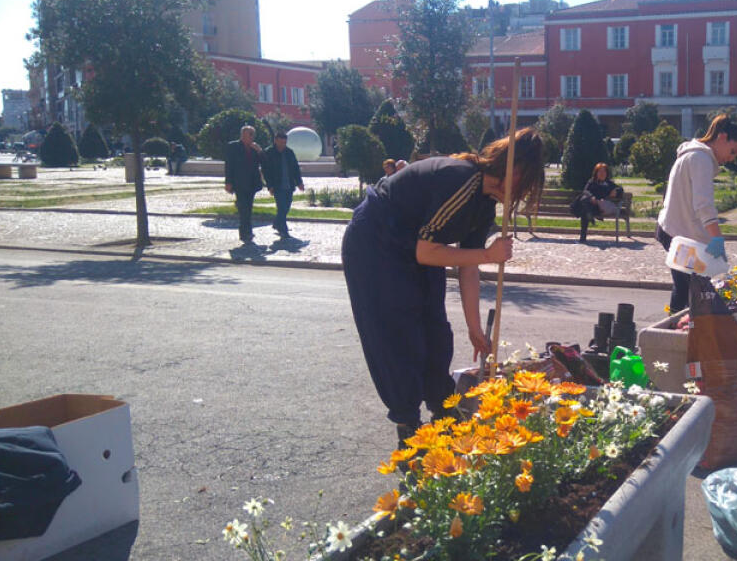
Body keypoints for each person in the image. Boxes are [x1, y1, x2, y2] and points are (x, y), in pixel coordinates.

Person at [341, 128, 546, 440]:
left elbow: (467, 266)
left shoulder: (484, 205)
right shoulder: (461, 180)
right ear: (512, 170)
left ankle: (442, 407)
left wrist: (475, 329)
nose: (522, 195)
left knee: (435, 329)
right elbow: (426, 253)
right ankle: (408, 422)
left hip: (414, 247)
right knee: (398, 334)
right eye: (524, 184)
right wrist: (490, 253)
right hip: (376, 244)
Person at [656, 114, 737, 313]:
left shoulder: (694, 155)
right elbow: (703, 205)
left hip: (674, 231)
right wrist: (716, 238)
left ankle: (678, 333)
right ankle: (674, 335)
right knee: (690, 291)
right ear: (722, 137)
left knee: (689, 290)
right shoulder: (701, 159)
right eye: (733, 151)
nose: (731, 158)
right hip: (678, 234)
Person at [224, 125, 266, 242]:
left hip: (252, 183)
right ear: (242, 135)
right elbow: (229, 165)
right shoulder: (233, 146)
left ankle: (248, 231)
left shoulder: (254, 148)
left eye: (253, 134)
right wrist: (228, 182)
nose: (251, 137)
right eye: (249, 134)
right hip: (239, 183)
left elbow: (265, 163)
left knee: (249, 208)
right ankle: (244, 233)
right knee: (243, 209)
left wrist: (260, 151)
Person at [263, 131, 305, 239]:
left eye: (284, 142)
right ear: (275, 141)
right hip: (277, 185)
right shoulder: (269, 152)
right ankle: (283, 230)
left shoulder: (289, 152)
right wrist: (270, 186)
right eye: (280, 142)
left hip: (289, 185)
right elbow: (266, 171)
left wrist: (299, 182)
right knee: (281, 207)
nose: (282, 144)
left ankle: (277, 223)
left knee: (286, 207)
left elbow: (296, 168)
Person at [578, 163, 622, 243]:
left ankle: (583, 235)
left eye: (604, 172)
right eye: (600, 172)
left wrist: (616, 191)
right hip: (591, 206)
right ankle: (589, 218)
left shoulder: (609, 183)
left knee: (584, 208)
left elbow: (621, 189)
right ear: (596, 173)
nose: (602, 174)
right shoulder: (592, 182)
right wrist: (592, 197)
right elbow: (585, 191)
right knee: (585, 202)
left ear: (607, 173)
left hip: (600, 208)